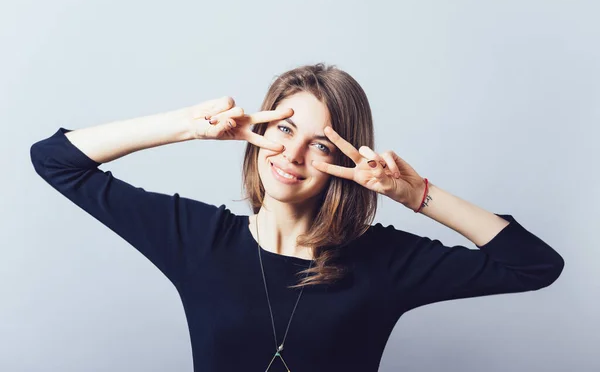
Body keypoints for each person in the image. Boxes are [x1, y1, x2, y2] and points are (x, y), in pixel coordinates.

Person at [30, 63, 564, 372]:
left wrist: (413, 192)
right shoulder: (198, 240)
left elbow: (534, 265)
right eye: (284, 130)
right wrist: (188, 126)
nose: (291, 156)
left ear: (344, 160)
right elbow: (55, 160)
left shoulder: (383, 261)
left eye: (319, 145)